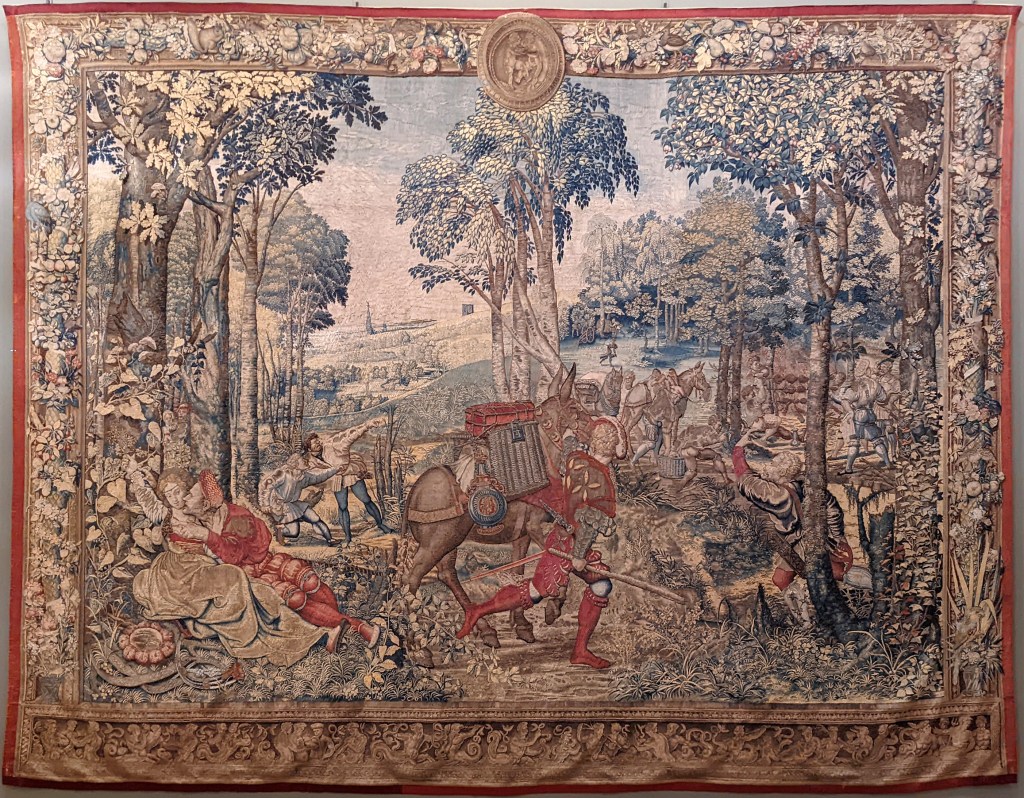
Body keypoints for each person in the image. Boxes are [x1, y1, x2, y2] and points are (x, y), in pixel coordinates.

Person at [129, 469, 326, 666]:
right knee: (235, 580)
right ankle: (246, 632)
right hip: (178, 570)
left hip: (203, 566)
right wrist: (138, 480)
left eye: (179, 492)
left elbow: (219, 543)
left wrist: (210, 545)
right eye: (169, 495)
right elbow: (150, 503)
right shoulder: (167, 515)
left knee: (256, 589)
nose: (175, 498)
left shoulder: (199, 514)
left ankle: (304, 632)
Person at [189, 471, 380, 649]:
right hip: (247, 578)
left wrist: (211, 538)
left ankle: (337, 627)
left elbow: (252, 545)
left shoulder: (234, 515)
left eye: (190, 495)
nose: (185, 499)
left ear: (205, 505)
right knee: (294, 598)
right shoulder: (193, 527)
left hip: (262, 563)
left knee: (307, 579)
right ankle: (353, 628)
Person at [731, 429, 853, 627]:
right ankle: (805, 620)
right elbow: (833, 510)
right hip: (818, 540)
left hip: (799, 545)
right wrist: (839, 537)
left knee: (836, 573)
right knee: (783, 579)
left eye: (773, 465)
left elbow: (746, 480)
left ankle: (807, 621)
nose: (769, 468)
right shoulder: (806, 486)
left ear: (779, 471)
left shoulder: (776, 494)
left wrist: (738, 450)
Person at [322, 417, 396, 544]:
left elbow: (352, 434)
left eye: (317, 442)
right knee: (342, 507)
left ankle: (380, 524)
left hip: (351, 473)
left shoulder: (337, 444)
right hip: (337, 478)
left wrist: (367, 425)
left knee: (366, 499)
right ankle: (348, 538)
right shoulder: (314, 457)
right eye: (313, 445)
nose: (317, 445)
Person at [259, 434, 340, 543]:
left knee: (314, 518)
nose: (306, 461)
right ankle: (277, 530)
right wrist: (265, 504)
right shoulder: (283, 473)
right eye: (302, 460)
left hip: (293, 503)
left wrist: (336, 469)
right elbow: (265, 484)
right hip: (279, 505)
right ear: (295, 464)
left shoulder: (304, 476)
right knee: (294, 532)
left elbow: (319, 476)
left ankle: (330, 540)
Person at [831, 369, 891, 472]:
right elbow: (883, 398)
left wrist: (850, 412)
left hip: (858, 414)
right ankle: (888, 463)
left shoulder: (855, 385)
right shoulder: (875, 384)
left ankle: (848, 468)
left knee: (854, 441)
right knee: (876, 440)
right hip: (870, 413)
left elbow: (845, 401)